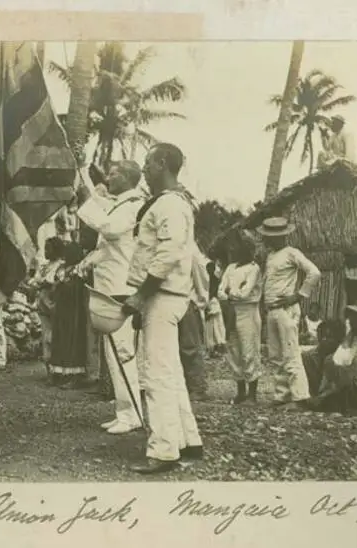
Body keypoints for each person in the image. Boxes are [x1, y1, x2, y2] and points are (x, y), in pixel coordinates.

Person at [123, 142, 203, 474]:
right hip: (167, 296)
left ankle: (163, 451)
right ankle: (188, 440)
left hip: (162, 296)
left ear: (162, 163)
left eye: (147, 163)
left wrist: (141, 295)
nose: (144, 169)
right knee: (169, 372)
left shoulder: (170, 205)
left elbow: (168, 254)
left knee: (156, 374)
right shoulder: (171, 203)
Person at [76, 159, 145, 434]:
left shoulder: (133, 205)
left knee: (123, 352)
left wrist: (87, 199)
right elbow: (100, 209)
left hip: (121, 287)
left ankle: (133, 414)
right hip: (110, 286)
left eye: (114, 174)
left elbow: (108, 227)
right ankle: (124, 411)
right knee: (113, 353)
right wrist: (83, 174)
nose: (108, 178)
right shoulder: (119, 204)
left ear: (128, 178)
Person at [257, 217, 321, 409]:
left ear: (281, 237)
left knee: (291, 353)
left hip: (286, 309)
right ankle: (282, 394)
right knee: (276, 355)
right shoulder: (271, 256)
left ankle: (300, 397)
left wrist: (299, 296)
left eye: (271, 237)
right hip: (273, 309)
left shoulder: (292, 253)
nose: (268, 240)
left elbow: (314, 272)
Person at [218, 234, 263, 404]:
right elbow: (220, 291)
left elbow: (246, 293)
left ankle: (252, 394)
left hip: (248, 311)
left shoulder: (254, 268)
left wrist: (230, 292)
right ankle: (240, 391)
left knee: (249, 350)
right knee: (233, 349)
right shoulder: (230, 268)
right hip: (232, 311)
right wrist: (230, 293)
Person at [47, 240, 89, 386]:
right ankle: (58, 373)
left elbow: (78, 289)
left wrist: (64, 283)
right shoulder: (62, 269)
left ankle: (73, 376)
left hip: (74, 311)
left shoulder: (79, 270)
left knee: (72, 341)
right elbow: (54, 287)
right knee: (60, 339)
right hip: (61, 310)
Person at [179, 247, 215, 400]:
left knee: (189, 346)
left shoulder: (190, 249)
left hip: (187, 300)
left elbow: (202, 275)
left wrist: (200, 301)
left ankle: (196, 387)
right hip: (166, 301)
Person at [31, 237, 64, 365]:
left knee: (55, 336)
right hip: (43, 303)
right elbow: (35, 280)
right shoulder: (44, 266)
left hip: (55, 302)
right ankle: (48, 365)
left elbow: (59, 282)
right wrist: (35, 285)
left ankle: (58, 365)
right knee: (46, 336)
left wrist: (48, 283)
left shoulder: (61, 266)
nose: (45, 252)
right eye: (45, 249)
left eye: (48, 249)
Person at [301, 319, 347, 397]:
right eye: (321, 335)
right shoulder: (306, 357)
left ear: (339, 340)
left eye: (329, 337)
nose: (323, 339)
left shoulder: (343, 360)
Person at [203, 260, 227, 356]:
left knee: (217, 326)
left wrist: (207, 303)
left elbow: (212, 292)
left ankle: (218, 346)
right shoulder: (207, 279)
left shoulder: (214, 279)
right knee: (211, 327)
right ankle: (211, 348)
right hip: (209, 302)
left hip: (212, 302)